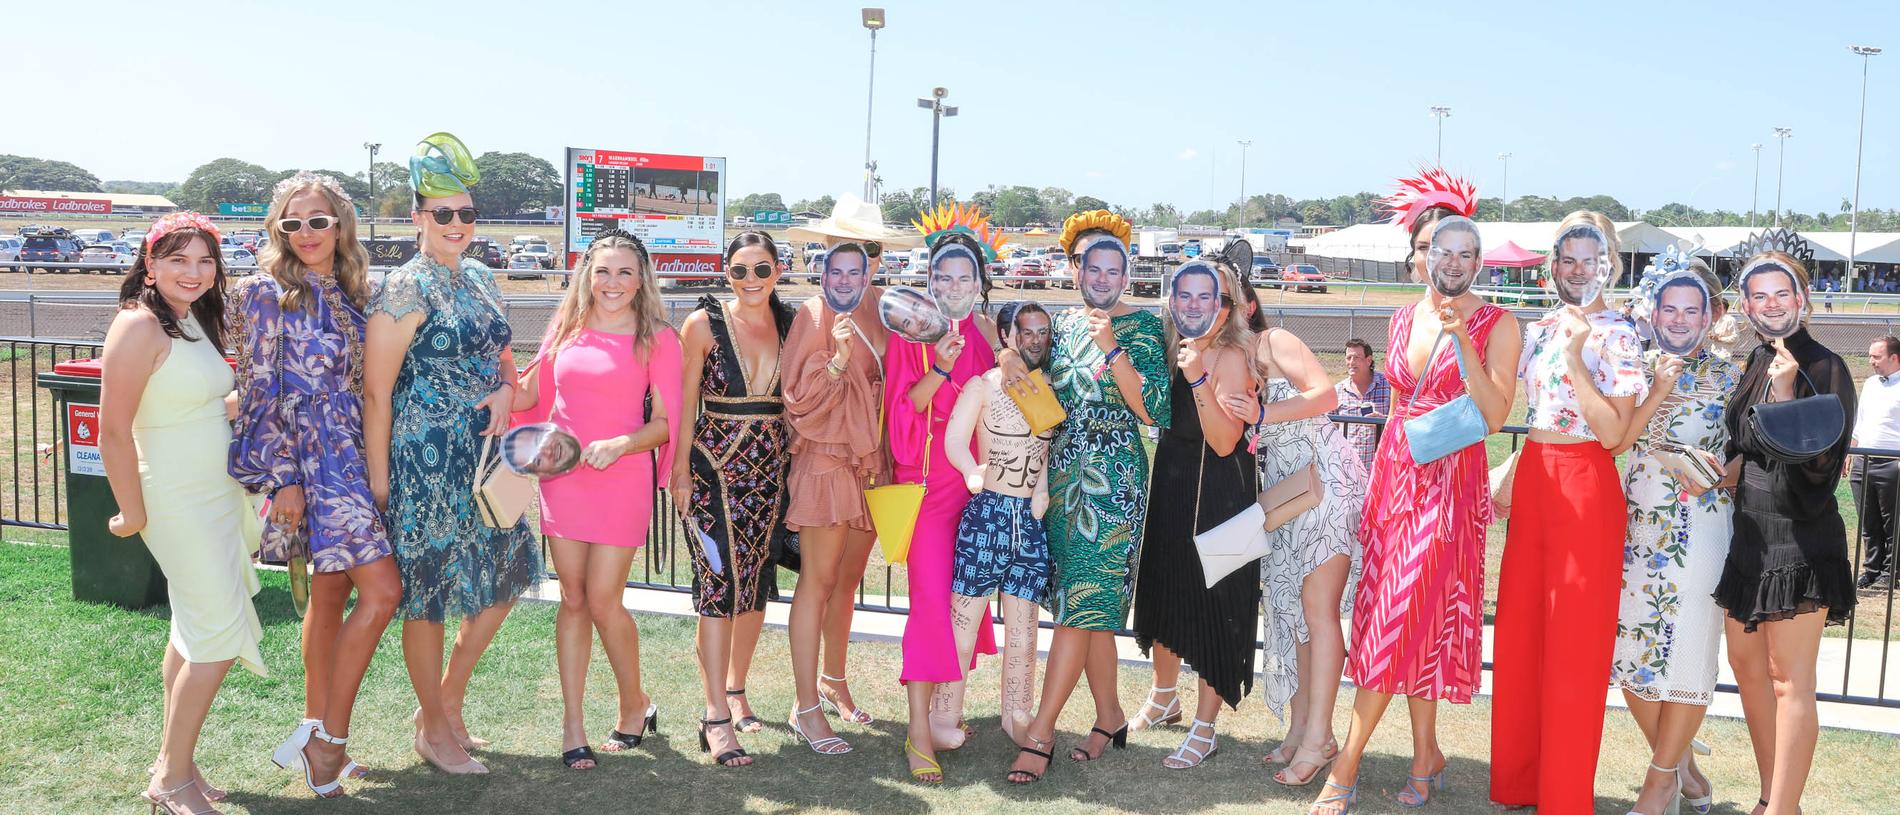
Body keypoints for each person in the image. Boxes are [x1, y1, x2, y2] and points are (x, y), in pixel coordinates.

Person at [1319, 169, 1521, 815]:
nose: (1448, 258)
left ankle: (1345, 764)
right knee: (1414, 623)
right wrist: (1380, 490)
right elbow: (1401, 406)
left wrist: (1462, 336)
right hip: (1399, 479)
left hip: (1452, 485)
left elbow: (1492, 416)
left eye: (1461, 249)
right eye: (1436, 248)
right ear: (1422, 258)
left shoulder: (1498, 322)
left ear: (1476, 258)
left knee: (1396, 618)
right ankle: (1425, 756)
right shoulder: (1402, 319)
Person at [363, 133, 540, 775]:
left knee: (509, 571)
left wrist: (505, 389)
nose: (457, 224)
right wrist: (381, 484)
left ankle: (444, 701)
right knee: (431, 594)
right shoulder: (402, 290)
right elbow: (377, 394)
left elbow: (503, 360)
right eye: (443, 213)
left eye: (466, 214)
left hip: (490, 456)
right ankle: (434, 731)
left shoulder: (486, 278)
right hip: (426, 457)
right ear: (418, 217)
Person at [230, 173, 398, 798]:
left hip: (357, 451)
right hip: (312, 460)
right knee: (382, 592)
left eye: (318, 221)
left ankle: (310, 727)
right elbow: (258, 391)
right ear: (277, 229)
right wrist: (284, 479)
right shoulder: (264, 292)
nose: (304, 234)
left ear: (340, 225)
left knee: (329, 596)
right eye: (291, 223)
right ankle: (329, 744)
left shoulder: (360, 288)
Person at [100, 212, 263, 815]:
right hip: (173, 498)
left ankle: (179, 761)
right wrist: (132, 513)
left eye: (204, 260)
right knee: (216, 636)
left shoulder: (194, 321)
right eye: (177, 260)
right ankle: (169, 781)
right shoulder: (137, 326)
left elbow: (200, 400)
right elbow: (112, 430)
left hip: (215, 493)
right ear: (150, 264)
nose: (193, 272)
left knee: (191, 630)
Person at [1004, 210, 1169, 783]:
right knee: (1088, 606)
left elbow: (1155, 411)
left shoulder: (1144, 328)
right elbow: (1032, 374)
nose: (1103, 277)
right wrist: (1008, 359)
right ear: (1075, 269)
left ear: (1127, 274)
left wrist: (1113, 349)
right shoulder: (1064, 324)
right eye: (1092, 267)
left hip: (1115, 479)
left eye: (1114, 269)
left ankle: (1042, 732)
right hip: (1065, 473)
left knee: (1080, 609)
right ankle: (1110, 716)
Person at [1492, 212, 1647, 815]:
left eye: (1591, 259)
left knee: (1575, 643)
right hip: (1534, 477)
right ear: (1553, 266)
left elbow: (1613, 434)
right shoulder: (1537, 328)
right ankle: (1519, 782)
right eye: (1568, 260)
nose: (1579, 270)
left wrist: (1579, 357)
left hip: (1586, 482)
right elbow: (1530, 414)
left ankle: (1563, 795)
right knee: (1523, 632)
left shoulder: (1621, 334)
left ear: (1610, 263)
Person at [511, 229, 681, 770]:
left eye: (625, 272)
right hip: (564, 478)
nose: (612, 282)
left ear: (641, 279)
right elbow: (531, 395)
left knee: (605, 600)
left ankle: (634, 704)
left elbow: (667, 424)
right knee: (574, 599)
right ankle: (573, 723)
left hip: (621, 477)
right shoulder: (564, 329)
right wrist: (489, 373)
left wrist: (621, 443)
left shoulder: (658, 338)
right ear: (587, 274)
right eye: (602, 270)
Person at [1715, 231, 1857, 815]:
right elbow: (1746, 444)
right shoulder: (1756, 357)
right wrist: (1721, 467)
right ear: (1746, 304)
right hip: (1748, 535)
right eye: (1759, 296)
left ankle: (1781, 809)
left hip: (1799, 536)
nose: (1771, 305)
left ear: (1803, 299)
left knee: (1787, 678)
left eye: (1782, 294)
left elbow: (1820, 468)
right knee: (1747, 668)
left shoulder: (1826, 366)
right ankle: (1775, 796)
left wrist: (1782, 394)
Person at [783, 196, 922, 734]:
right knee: (816, 582)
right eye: (836, 262)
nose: (845, 272)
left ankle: (833, 679)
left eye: (859, 258)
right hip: (827, 462)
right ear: (824, 261)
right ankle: (805, 708)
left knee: (848, 580)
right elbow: (798, 399)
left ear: (874, 260)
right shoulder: (813, 314)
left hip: (874, 460)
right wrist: (838, 361)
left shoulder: (887, 306)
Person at [1609, 256, 1739, 815]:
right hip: (1635, 524)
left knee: (1688, 646)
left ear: (1710, 316)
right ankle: (1683, 761)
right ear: (1652, 311)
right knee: (1630, 655)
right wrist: (1656, 389)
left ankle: (1659, 779)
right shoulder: (1626, 366)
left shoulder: (1734, 374)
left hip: (1704, 524)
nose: (1682, 319)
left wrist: (1721, 471)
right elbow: (1613, 439)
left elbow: (1750, 452)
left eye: (1693, 309)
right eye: (1671, 308)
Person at [1220, 317, 1367, 787]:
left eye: (1223, 298)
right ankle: (1300, 728)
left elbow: (1327, 396)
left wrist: (1261, 415)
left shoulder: (1274, 341)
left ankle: (1319, 738)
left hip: (1323, 480)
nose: (1212, 309)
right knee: (1293, 613)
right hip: (1283, 495)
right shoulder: (1218, 360)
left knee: (1317, 611)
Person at [671, 231, 798, 768]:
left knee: (755, 585)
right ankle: (714, 715)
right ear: (726, 273)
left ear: (777, 271)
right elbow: (681, 404)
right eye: (740, 270)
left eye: (761, 269)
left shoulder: (793, 324)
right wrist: (677, 471)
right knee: (718, 586)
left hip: (772, 474)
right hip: (710, 474)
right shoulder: (702, 324)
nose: (750, 280)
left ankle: (736, 688)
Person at [885, 224, 1004, 783]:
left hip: (974, 490)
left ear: (980, 284)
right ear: (928, 282)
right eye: (942, 276)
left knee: (962, 603)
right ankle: (916, 733)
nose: (953, 285)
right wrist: (939, 365)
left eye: (964, 277)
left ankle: (941, 716)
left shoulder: (984, 335)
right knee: (930, 604)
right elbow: (905, 411)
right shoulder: (911, 333)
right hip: (928, 487)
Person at [1133, 252, 1259, 770]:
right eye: (1183, 295)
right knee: (1165, 593)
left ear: (1224, 307)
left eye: (1206, 296)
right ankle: (1165, 697)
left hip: (1222, 496)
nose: (1193, 304)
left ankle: (1205, 728)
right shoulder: (1173, 349)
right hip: (1174, 483)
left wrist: (1198, 378)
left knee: (1214, 610)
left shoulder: (1229, 358)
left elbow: (1227, 442)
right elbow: (1149, 411)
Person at [944, 301, 1055, 749]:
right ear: (1008, 336)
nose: (1034, 340)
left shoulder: (1047, 388)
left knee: (1024, 625)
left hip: (1028, 519)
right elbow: (955, 437)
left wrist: (1042, 490)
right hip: (988, 511)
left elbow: (1042, 449)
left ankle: (1017, 710)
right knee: (963, 620)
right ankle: (944, 711)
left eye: (1042, 332)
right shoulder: (983, 386)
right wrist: (971, 469)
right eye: (1026, 332)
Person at [1852, 335, 1900, 588]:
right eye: (1870, 356)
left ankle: (1891, 574)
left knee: (1892, 521)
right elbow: (1861, 421)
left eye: (1876, 356)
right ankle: (1871, 569)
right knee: (1867, 520)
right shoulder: (1870, 383)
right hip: (1864, 460)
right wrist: (1852, 451)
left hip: (1893, 462)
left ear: (1894, 357)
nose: (1871, 361)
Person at [1334, 339, 1390, 473]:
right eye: (1348, 358)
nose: (1351, 362)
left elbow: (1402, 418)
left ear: (1369, 360)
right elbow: (1329, 427)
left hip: (1380, 467)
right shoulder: (1338, 390)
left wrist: (1383, 420)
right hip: (1347, 468)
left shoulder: (1389, 387)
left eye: (1357, 358)